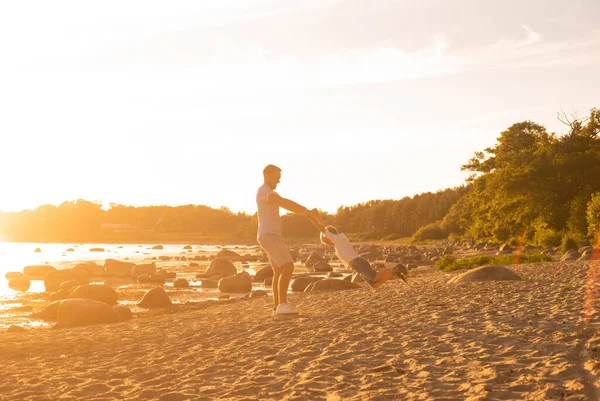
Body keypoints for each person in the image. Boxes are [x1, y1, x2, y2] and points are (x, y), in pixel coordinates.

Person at [257, 164, 318, 315]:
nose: (278, 181)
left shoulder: (267, 191)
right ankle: (282, 305)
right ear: (267, 175)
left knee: (278, 270)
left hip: (267, 235)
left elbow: (282, 202)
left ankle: (276, 307)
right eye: (277, 178)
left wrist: (306, 213)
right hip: (269, 235)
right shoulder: (265, 191)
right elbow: (284, 202)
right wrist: (306, 211)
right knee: (288, 266)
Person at [308, 216, 408, 288]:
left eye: (326, 241)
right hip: (357, 266)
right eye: (325, 243)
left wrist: (312, 218)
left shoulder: (337, 238)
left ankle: (397, 268)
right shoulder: (339, 241)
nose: (327, 243)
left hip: (358, 263)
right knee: (374, 284)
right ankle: (394, 273)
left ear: (329, 235)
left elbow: (322, 229)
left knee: (375, 277)